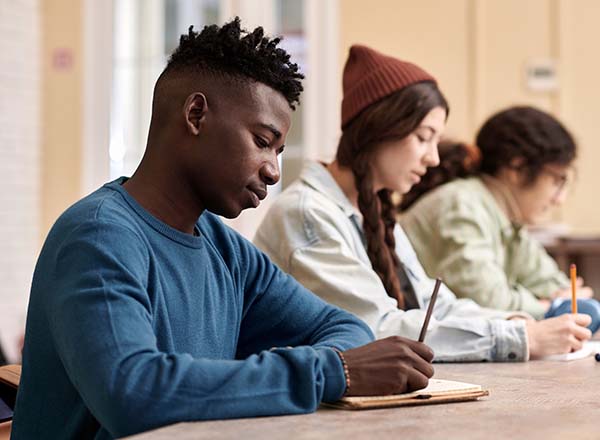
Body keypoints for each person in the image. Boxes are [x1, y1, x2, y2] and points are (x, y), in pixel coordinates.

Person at [11, 20, 436, 440]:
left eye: (280, 150)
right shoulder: (99, 236)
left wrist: (279, 376)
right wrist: (332, 372)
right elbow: (134, 391)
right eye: (261, 140)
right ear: (196, 114)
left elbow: (344, 328)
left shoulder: (227, 250)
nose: (272, 170)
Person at [254, 45, 592, 365]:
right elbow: (375, 328)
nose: (433, 158)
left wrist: (515, 321)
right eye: (423, 137)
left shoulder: (376, 212)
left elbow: (437, 305)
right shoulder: (307, 212)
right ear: (380, 128)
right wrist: (520, 337)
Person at [398, 106, 600, 331]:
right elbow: (489, 303)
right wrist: (551, 307)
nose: (559, 199)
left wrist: (557, 303)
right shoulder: (461, 204)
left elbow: (560, 289)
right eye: (557, 180)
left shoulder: (507, 221)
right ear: (517, 167)